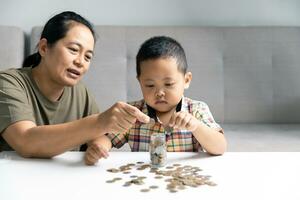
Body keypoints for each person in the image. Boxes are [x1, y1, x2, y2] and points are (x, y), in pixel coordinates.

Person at [0, 11, 149, 157]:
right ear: (44, 48)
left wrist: (97, 147)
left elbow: (99, 135)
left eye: (88, 56)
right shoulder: (8, 83)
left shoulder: (80, 92)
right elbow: (26, 142)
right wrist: (100, 122)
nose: (80, 62)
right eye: (73, 49)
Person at [84, 36, 227, 165]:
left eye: (169, 84)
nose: (159, 93)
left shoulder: (196, 109)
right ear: (140, 82)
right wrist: (98, 147)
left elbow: (220, 147)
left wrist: (196, 127)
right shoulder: (133, 113)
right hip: (144, 178)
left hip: (182, 180)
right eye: (150, 85)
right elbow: (108, 137)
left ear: (186, 80)